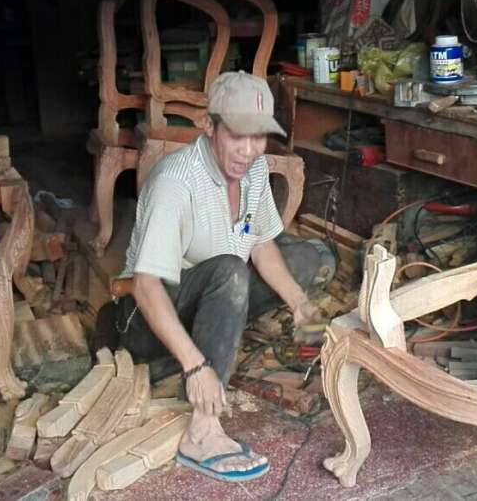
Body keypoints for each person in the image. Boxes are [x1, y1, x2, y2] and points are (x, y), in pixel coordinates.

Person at [117, 71, 329, 482]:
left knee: (306, 258)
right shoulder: (176, 182)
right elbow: (144, 286)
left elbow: (261, 245)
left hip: (208, 294)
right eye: (237, 135)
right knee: (230, 273)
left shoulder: (253, 170)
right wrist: (196, 367)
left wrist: (302, 307)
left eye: (258, 137)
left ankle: (215, 341)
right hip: (145, 319)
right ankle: (202, 430)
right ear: (208, 126)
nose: (248, 150)